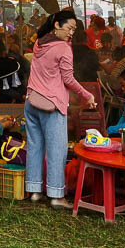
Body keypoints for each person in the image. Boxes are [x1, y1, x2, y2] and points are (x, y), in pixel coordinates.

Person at [24, 10, 96, 208]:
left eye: (74, 29)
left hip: (31, 100)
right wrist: (87, 95)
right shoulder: (63, 48)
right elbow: (68, 79)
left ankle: (35, 191)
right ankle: (56, 196)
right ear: (56, 25)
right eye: (69, 28)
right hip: (52, 104)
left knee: (35, 147)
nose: (71, 32)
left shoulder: (39, 43)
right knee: (57, 150)